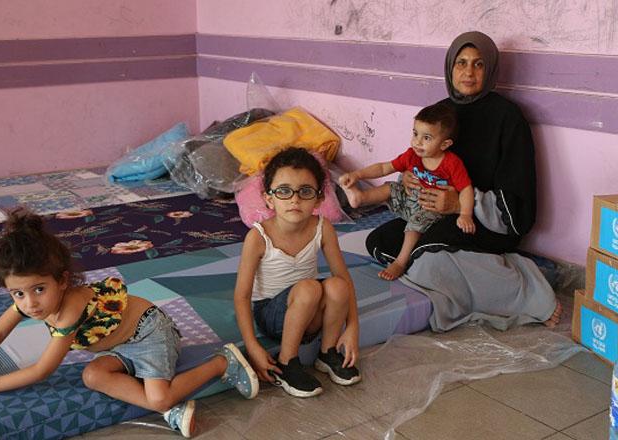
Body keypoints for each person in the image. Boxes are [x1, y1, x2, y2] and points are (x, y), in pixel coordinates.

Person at [0, 208, 259, 438]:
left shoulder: (69, 310)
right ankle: (170, 409)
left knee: (160, 396)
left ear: (62, 281)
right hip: (120, 346)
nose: (29, 303)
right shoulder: (29, 301)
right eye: (18, 293)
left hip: (150, 333)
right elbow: (0, 329)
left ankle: (222, 363)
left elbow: (42, 370)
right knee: (92, 376)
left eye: (39, 289)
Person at [365, 31, 562, 330]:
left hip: (485, 222)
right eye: (461, 63)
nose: (468, 72)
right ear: (450, 67)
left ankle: (527, 291)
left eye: (479, 64)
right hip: (434, 218)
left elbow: (518, 204)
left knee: (428, 261)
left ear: (490, 69)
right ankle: (476, 280)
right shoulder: (442, 115)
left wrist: (459, 203)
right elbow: (419, 157)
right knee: (380, 241)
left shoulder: (508, 118)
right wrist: (410, 177)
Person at [233, 147, 361, 398]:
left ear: (319, 198)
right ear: (268, 198)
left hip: (309, 312)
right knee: (310, 287)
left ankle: (327, 353)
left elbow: (344, 277)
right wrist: (253, 345)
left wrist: (353, 326)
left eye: (305, 191)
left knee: (337, 285)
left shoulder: (323, 228)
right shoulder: (258, 237)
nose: (294, 200)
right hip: (272, 315)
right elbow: (241, 296)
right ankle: (287, 362)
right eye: (283, 191)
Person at [339, 103, 474, 281]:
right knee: (391, 188)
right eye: (415, 133)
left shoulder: (451, 163)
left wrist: (465, 214)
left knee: (413, 226)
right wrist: (358, 175)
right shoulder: (412, 155)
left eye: (426, 137)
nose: (417, 141)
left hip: (432, 209)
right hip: (411, 201)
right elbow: (384, 167)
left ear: (445, 144)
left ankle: (400, 262)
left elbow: (466, 189)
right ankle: (360, 197)